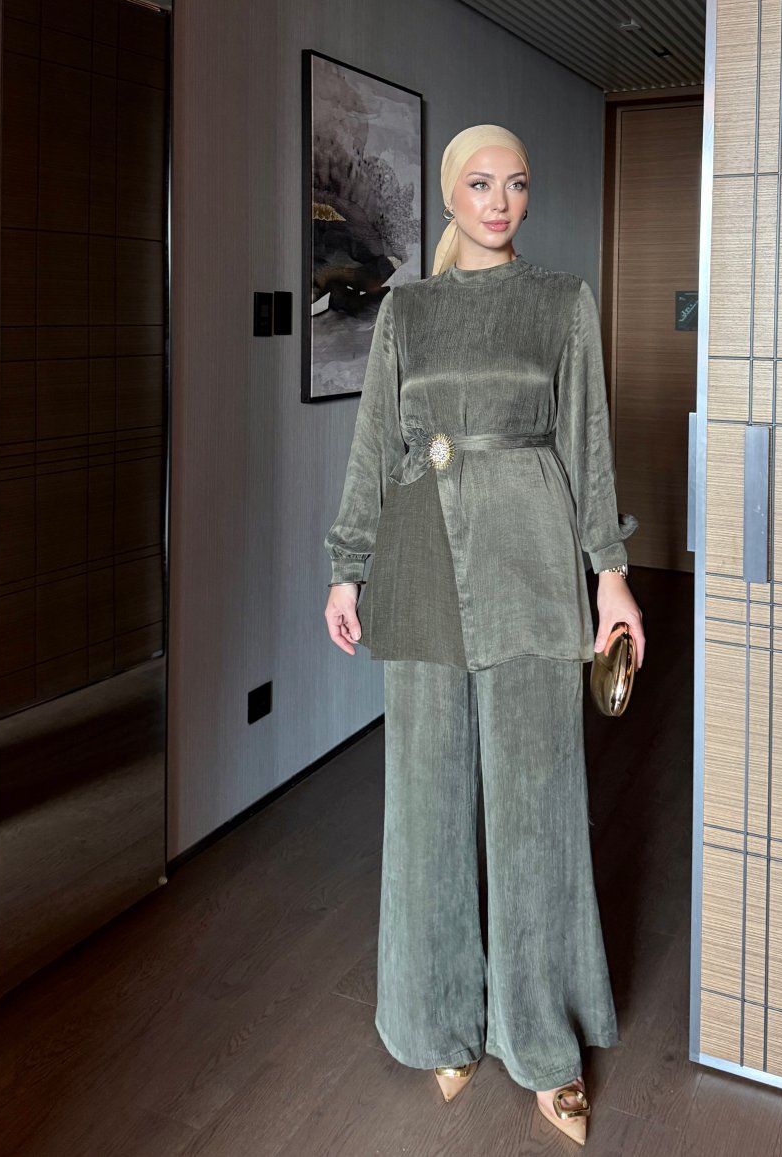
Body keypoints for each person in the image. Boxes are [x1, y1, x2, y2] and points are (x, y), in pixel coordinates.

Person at [324, 123, 645, 1147]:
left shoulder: (561, 303)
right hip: (419, 557)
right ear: (450, 195)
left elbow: (589, 444)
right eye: (478, 182)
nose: (498, 200)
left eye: (515, 182)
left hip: (530, 564)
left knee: (535, 808)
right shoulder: (407, 311)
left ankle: (543, 1044)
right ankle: (440, 1021)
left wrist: (612, 578)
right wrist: (346, 564)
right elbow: (375, 442)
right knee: (424, 805)